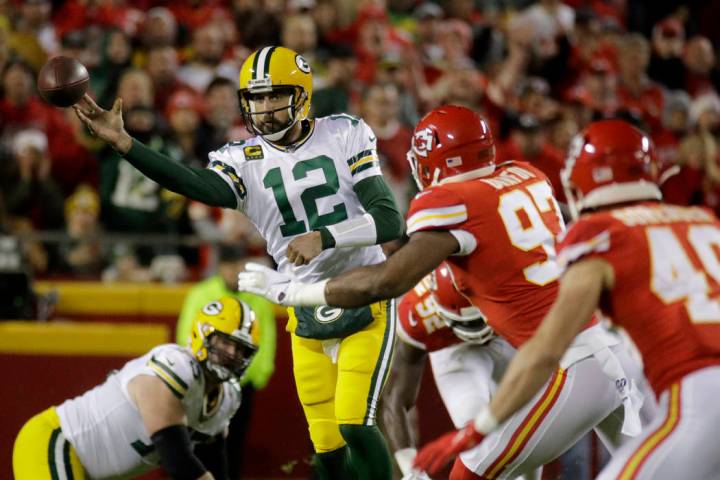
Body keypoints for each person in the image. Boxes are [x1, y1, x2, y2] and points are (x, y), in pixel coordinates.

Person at [239, 105, 654, 479]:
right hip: (608, 350)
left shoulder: (453, 201)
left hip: (574, 364)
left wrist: (296, 293)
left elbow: (386, 281)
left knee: (469, 472)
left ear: (436, 161)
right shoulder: (527, 174)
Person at [72, 45, 405, 480]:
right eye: (256, 98)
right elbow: (192, 182)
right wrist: (125, 144)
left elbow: (388, 218)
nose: (264, 109)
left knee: (355, 425)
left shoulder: (344, 132)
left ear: (302, 95)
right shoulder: (242, 159)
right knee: (326, 447)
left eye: (274, 96)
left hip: (365, 293)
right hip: (304, 305)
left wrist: (323, 237)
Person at [411, 119, 720, 479]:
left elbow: (546, 349)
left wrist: (479, 427)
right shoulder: (703, 219)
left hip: (691, 396)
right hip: (640, 376)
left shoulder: (600, 235)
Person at [13, 296, 260, 480]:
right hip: (56, 440)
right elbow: (177, 458)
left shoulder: (228, 398)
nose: (231, 354)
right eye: (226, 342)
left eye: (241, 349)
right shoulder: (176, 366)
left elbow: (214, 468)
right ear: (203, 335)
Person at [381, 264, 529, 479]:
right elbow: (396, 400)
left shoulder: (511, 282)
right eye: (468, 323)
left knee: (530, 420)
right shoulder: (417, 313)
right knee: (476, 438)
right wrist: (410, 470)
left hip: (504, 331)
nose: (476, 333)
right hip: (452, 348)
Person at [176, 244, 276, 479]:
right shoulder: (201, 293)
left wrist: (253, 377)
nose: (233, 271)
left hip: (242, 384)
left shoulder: (258, 298)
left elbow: (266, 340)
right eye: (229, 265)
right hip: (203, 381)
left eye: (238, 265)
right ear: (219, 267)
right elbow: (187, 334)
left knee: (234, 444)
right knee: (196, 443)